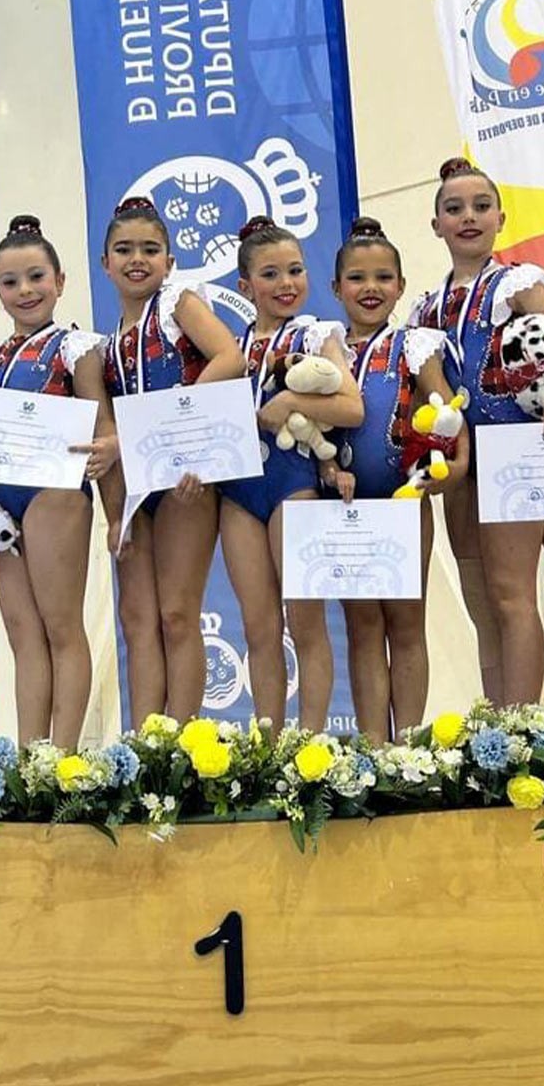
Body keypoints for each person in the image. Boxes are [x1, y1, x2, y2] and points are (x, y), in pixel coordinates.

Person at [409, 157, 544, 706]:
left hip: (514, 453)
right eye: (454, 209)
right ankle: (498, 724)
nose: (468, 217)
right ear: (436, 224)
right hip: (463, 463)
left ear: (500, 218)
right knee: (480, 602)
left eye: (480, 207)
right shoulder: (427, 307)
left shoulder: (516, 286)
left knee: (512, 596)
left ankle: (525, 724)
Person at [89, 196, 247, 723]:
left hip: (186, 478)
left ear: (170, 260)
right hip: (136, 489)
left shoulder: (178, 302)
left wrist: (177, 425)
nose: (138, 259)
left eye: (151, 249)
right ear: (104, 262)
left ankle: (179, 741)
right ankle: (145, 743)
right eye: (125, 249)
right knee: (137, 619)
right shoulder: (109, 343)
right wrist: (114, 515)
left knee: (179, 614)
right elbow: (108, 435)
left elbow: (230, 356)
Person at [319, 216, 463, 740]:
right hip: (346, 509)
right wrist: (328, 469)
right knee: (362, 627)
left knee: (405, 624)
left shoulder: (414, 345)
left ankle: (407, 744)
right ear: (336, 288)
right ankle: (374, 748)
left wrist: (430, 476)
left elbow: (450, 424)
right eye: (357, 278)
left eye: (383, 278)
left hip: (405, 505)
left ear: (401, 285)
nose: (371, 289)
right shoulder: (323, 349)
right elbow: (313, 431)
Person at [0, 216, 102, 748]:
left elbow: (101, 423)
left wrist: (117, 503)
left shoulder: (76, 348)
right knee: (22, 635)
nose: (25, 291)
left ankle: (62, 756)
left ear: (60, 281)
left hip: (55, 493)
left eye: (36, 277)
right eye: (11, 282)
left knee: (61, 627)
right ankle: (29, 757)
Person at [221, 216, 363, 729]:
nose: (286, 284)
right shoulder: (229, 345)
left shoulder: (317, 332)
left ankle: (309, 742)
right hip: (238, 492)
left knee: (304, 621)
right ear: (245, 286)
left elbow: (353, 408)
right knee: (258, 626)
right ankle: (267, 743)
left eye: (295, 270)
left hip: (294, 481)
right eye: (271, 274)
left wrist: (290, 400)